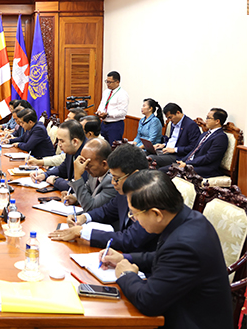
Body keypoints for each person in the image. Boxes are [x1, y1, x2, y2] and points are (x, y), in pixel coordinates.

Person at [100, 170, 235, 329]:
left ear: (156, 214)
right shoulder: (186, 218)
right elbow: (162, 257)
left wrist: (126, 275)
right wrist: (125, 258)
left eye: (134, 214)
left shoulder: (184, 244)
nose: (134, 219)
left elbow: (148, 302)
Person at [49, 144, 157, 254]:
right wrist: (84, 217)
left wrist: (82, 232)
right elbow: (106, 211)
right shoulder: (126, 191)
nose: (113, 182)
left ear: (134, 175)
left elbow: (129, 239)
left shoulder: (152, 198)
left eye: (116, 178)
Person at [62, 139, 119, 212]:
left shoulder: (112, 181)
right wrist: (75, 197)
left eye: (89, 165)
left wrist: (77, 177)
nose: (85, 168)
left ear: (104, 164)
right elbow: (87, 190)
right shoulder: (95, 172)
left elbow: (90, 207)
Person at [32, 119, 86, 191]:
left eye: (62, 141)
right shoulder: (71, 150)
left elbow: (76, 187)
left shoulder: (88, 154)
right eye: (58, 140)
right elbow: (62, 170)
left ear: (75, 142)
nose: (59, 144)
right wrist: (44, 175)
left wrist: (55, 181)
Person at [176, 108, 231, 177]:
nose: (206, 120)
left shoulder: (220, 137)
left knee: (172, 172)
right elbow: (194, 150)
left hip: (205, 168)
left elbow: (208, 158)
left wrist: (188, 163)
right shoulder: (205, 134)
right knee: (167, 169)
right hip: (192, 163)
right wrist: (183, 161)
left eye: (208, 118)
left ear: (217, 121)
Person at [149, 103, 202, 167]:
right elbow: (173, 139)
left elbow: (194, 147)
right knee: (144, 153)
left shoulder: (191, 125)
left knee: (151, 158)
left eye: (170, 117)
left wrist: (175, 150)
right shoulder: (173, 123)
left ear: (178, 113)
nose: (169, 120)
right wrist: (164, 144)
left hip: (179, 156)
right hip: (167, 151)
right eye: (168, 118)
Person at [95, 71, 128, 144]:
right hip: (104, 123)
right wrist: (99, 111)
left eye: (110, 82)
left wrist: (108, 114)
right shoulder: (106, 92)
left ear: (117, 82)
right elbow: (102, 104)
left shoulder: (122, 94)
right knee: (102, 145)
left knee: (113, 146)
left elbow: (123, 112)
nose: (107, 84)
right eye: (107, 81)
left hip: (115, 125)